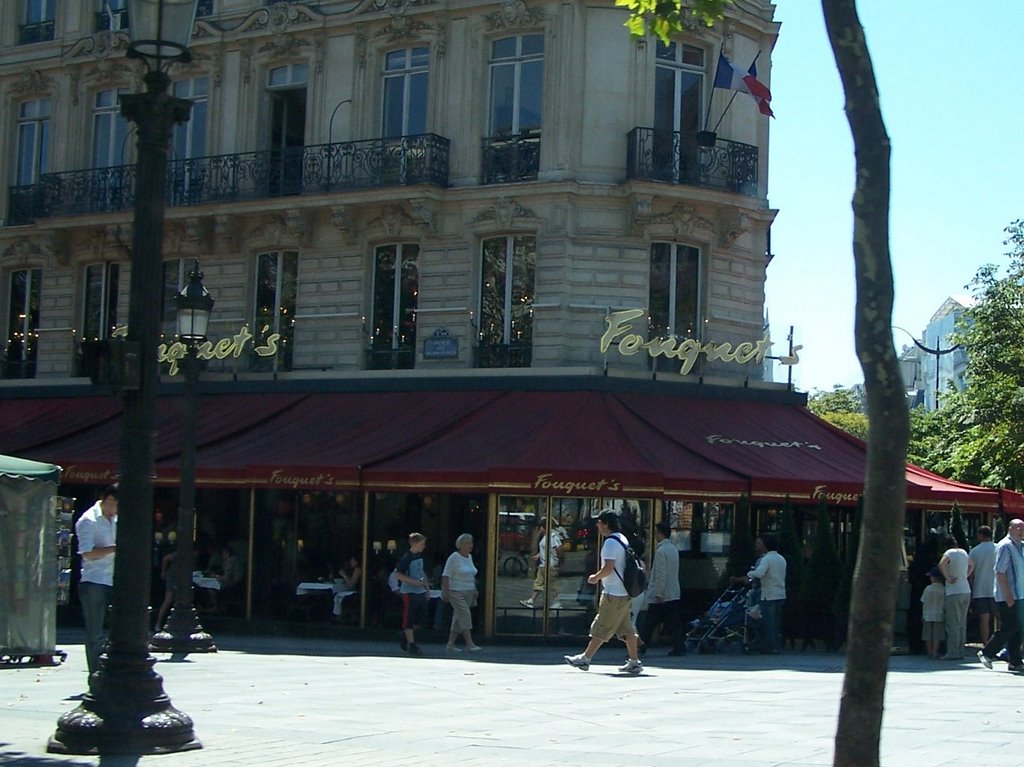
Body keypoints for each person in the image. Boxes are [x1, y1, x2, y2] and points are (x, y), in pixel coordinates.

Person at [564, 510, 643, 674]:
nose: (597, 525)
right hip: (624, 593)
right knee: (627, 629)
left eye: (599, 522)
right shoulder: (622, 539)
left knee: (601, 625)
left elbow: (608, 568)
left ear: (606, 524)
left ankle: (585, 658)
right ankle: (634, 661)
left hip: (613, 593)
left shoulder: (610, 543)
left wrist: (595, 577)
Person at [75, 484, 118, 675]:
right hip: (95, 580)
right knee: (95, 633)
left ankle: (110, 670)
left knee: (117, 629)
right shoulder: (88, 520)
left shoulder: (116, 519)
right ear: (109, 500)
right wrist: (115, 548)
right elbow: (87, 553)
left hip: (114, 579)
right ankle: (95, 674)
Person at [978, 519, 1024, 671]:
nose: (1021, 530)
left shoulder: (1021, 546)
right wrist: (1008, 595)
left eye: (1023, 528)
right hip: (1008, 595)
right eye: (1018, 527)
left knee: (1017, 628)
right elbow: (1000, 572)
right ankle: (987, 652)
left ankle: (1015, 661)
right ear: (1010, 528)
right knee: (1010, 626)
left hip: (1020, 594)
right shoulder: (1005, 546)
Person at [639, 522, 686, 656]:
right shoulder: (673, 549)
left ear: (660, 533)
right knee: (674, 622)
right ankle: (679, 646)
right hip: (673, 591)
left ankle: (641, 646)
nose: (654, 535)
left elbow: (660, 574)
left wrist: (658, 592)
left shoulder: (661, 551)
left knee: (650, 622)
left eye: (656, 532)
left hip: (661, 594)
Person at [442, 533, 481, 652]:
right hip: (456, 591)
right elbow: (445, 576)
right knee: (465, 614)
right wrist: (446, 592)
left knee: (458, 617)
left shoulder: (469, 557)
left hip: (469, 590)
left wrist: (475, 590)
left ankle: (450, 644)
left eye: (471, 543)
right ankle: (470, 644)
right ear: (461, 545)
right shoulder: (454, 557)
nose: (471, 545)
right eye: (468, 543)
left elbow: (471, 575)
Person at [747, 535, 786, 654]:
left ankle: (769, 646)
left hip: (768, 593)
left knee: (768, 622)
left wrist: (750, 573)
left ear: (766, 546)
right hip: (780, 593)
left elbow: (759, 573)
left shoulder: (766, 559)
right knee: (775, 622)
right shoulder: (781, 558)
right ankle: (775, 646)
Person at [938, 534, 974, 660]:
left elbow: (941, 564)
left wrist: (947, 577)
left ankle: (952, 652)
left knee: (953, 623)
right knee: (962, 623)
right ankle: (960, 651)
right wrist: (965, 575)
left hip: (954, 591)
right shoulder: (964, 552)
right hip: (966, 590)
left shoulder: (949, 553)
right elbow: (972, 565)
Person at [395, 532, 430, 655]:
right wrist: (412, 582)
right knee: (409, 617)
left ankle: (405, 635)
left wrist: (427, 588)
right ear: (414, 544)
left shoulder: (419, 556)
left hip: (420, 591)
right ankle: (411, 644)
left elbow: (422, 571)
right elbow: (398, 574)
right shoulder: (407, 557)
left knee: (422, 619)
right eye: (422, 544)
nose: (423, 546)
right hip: (409, 592)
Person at [520, 523, 566, 609]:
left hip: (550, 565)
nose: (539, 530)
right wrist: (539, 555)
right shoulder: (545, 537)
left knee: (552, 585)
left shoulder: (553, 537)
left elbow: (559, 548)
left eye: (540, 528)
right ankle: (531, 600)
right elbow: (545, 549)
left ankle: (557, 602)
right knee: (539, 583)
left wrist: (559, 560)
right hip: (543, 565)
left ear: (544, 528)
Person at [968, 526, 997, 646]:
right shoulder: (998, 548)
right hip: (997, 589)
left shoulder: (974, 551)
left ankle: (986, 644)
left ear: (980, 535)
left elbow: (971, 573)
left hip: (980, 589)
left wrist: (971, 587)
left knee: (984, 620)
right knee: (1000, 619)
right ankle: (1000, 644)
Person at [921, 567, 946, 659]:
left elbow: (923, 601)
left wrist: (923, 613)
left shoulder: (927, 589)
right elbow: (944, 604)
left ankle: (929, 651)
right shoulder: (943, 589)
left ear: (933, 578)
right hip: (939, 614)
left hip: (927, 614)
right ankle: (935, 652)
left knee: (928, 635)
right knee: (937, 635)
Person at [154, 549, 177, 631]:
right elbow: (166, 558)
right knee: (168, 600)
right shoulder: (180, 553)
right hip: (173, 577)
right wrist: (163, 572)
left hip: (181, 578)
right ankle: (158, 623)